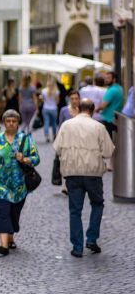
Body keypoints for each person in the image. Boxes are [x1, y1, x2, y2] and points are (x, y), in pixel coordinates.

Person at [53, 99, 115, 258]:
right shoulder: (99, 127)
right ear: (93, 111)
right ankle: (92, 238)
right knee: (97, 204)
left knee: (75, 210)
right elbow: (108, 152)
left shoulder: (67, 125)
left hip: (72, 172)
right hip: (93, 173)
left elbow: (58, 148)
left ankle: (77, 247)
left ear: (78, 108)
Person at [0, 109, 40, 256]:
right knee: (3, 212)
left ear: (18, 123)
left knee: (14, 213)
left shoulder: (25, 139)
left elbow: (36, 158)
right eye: (8, 121)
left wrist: (25, 159)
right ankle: (3, 246)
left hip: (19, 184)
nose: (11, 123)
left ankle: (10, 237)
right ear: (4, 123)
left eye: (14, 121)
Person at [97, 71, 124, 138]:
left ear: (114, 79)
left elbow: (103, 105)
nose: (106, 80)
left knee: (108, 142)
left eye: (108, 78)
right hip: (115, 119)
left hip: (109, 119)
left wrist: (95, 109)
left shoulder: (112, 90)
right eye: (105, 78)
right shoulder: (120, 88)